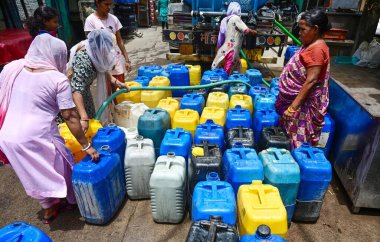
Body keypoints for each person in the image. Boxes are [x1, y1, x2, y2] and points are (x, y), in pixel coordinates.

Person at [0, 34, 99, 224]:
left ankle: (49, 207)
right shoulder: (57, 80)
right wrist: (86, 146)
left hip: (7, 135)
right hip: (37, 134)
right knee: (64, 164)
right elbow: (70, 116)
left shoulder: (12, 68)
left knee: (31, 171)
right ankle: (72, 199)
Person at [275, 9, 331, 149]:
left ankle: (296, 166)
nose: (299, 33)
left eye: (303, 29)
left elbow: (311, 81)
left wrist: (293, 108)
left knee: (298, 142)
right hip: (294, 102)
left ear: (315, 29)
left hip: (302, 107)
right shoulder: (309, 45)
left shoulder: (317, 49)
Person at [68, 29, 126, 129]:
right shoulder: (84, 60)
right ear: (101, 46)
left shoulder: (95, 53)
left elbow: (102, 68)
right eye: (108, 48)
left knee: (91, 124)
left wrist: (115, 81)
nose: (109, 51)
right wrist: (83, 117)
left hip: (85, 92)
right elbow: (76, 90)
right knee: (79, 128)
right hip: (72, 99)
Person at [84, 0, 131, 86]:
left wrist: (127, 60)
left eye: (110, 4)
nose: (109, 7)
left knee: (120, 88)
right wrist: (106, 63)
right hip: (102, 62)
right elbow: (91, 46)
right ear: (98, 3)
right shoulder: (90, 21)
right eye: (106, 4)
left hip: (116, 59)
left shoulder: (114, 19)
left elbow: (119, 40)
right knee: (107, 91)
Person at [211, 2, 257, 75]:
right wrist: (254, 32)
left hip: (225, 48)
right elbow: (246, 30)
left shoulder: (225, 20)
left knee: (216, 67)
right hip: (232, 50)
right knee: (228, 71)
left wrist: (219, 47)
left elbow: (221, 37)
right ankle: (225, 84)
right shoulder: (236, 18)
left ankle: (215, 81)